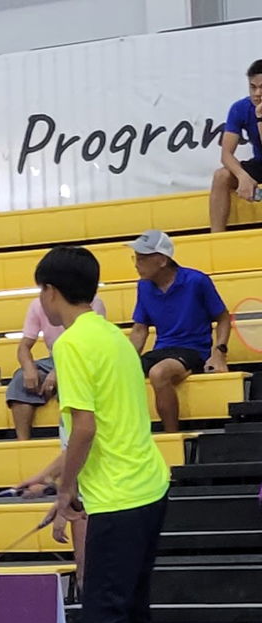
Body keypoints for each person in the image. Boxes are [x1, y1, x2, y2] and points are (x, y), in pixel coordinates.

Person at [35, 244, 173, 623]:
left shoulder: (70, 346)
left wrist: (66, 490)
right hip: (149, 486)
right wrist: (52, 475)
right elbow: (106, 424)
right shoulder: (115, 340)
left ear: (51, 292)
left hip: (116, 496)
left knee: (103, 608)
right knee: (132, 604)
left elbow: (87, 429)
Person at [128, 230, 230, 434]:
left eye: (142, 258)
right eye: (136, 258)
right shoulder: (144, 286)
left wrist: (219, 354)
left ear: (162, 260)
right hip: (162, 349)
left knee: (159, 373)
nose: (136, 264)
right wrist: (124, 360)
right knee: (116, 374)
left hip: (193, 350)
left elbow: (223, 318)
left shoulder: (196, 281)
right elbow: (140, 329)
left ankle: (172, 436)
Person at [6, 291, 108, 441]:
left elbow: (89, 346)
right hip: (54, 358)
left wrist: (58, 371)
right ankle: (23, 444)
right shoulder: (37, 305)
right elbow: (24, 347)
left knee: (73, 380)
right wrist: (29, 368)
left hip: (84, 358)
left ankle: (77, 441)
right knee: (20, 379)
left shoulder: (91, 303)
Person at [210, 60, 262, 232]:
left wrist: (260, 118)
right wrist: (242, 176)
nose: (257, 94)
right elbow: (226, 154)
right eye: (252, 87)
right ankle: (216, 239)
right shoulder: (240, 108)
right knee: (221, 176)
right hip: (259, 162)